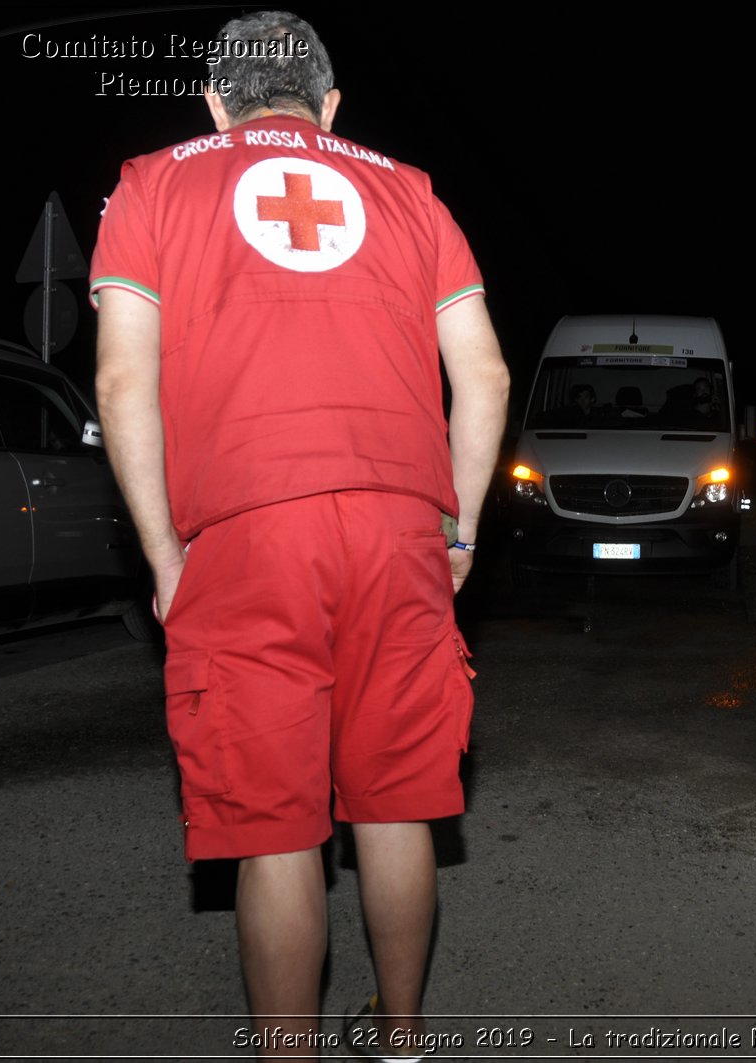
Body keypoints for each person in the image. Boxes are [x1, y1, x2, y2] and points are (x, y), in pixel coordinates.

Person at [90, 11, 510, 1059]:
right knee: (399, 797)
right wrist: (453, 534)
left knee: (273, 825)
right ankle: (403, 1034)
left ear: (214, 102)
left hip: (246, 528)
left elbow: (121, 379)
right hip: (397, 524)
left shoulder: (151, 182)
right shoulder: (409, 189)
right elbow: (487, 375)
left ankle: (290, 1050)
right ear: (328, 105)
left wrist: (165, 558)